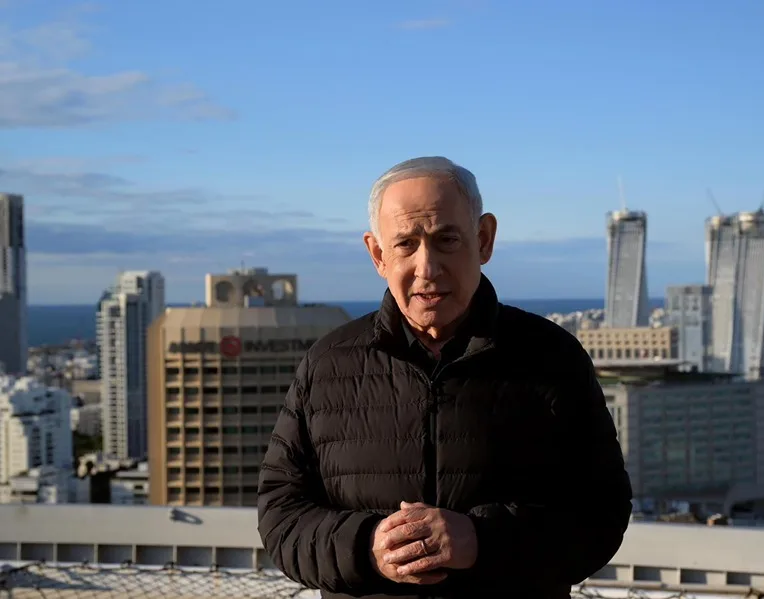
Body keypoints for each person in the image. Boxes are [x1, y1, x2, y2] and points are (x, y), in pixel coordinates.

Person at [258, 156, 633, 599]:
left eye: (447, 240)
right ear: (378, 254)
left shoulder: (552, 358)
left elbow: (601, 514)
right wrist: (368, 547)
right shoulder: (328, 365)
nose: (428, 268)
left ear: (484, 239)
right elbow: (281, 516)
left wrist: (480, 540)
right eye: (405, 244)